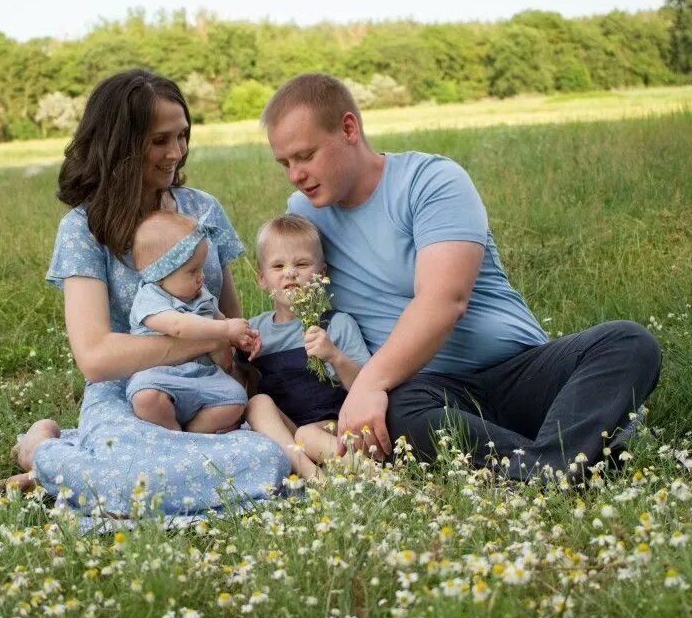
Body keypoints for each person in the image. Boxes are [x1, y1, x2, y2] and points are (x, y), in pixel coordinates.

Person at [261, 73, 662, 479]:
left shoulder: (431, 181)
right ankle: (567, 461)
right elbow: (292, 297)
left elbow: (444, 299)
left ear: (349, 128)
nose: (295, 174)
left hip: (521, 371)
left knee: (628, 342)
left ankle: (543, 464)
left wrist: (369, 384)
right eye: (285, 163)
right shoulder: (304, 213)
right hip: (430, 393)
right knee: (397, 411)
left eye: (305, 156)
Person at [8, 69, 288, 512]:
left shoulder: (202, 210)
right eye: (160, 140)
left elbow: (228, 317)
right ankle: (41, 450)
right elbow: (97, 358)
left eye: (181, 136)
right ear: (119, 144)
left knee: (268, 459)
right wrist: (205, 337)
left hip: (210, 387)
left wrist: (236, 371)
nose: (175, 153)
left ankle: (71, 466)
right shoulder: (83, 228)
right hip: (128, 395)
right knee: (134, 481)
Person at [242, 214, 371, 479]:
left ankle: (372, 473)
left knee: (308, 435)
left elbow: (365, 388)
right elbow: (238, 385)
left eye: (301, 263)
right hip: (287, 433)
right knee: (257, 403)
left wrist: (334, 356)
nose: (290, 272)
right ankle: (315, 477)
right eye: (277, 266)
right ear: (262, 278)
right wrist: (240, 357)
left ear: (322, 274)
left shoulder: (336, 325)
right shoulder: (255, 332)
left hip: (333, 428)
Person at [125, 210, 256, 433]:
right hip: (160, 376)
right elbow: (178, 327)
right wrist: (225, 329)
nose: (201, 277)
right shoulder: (150, 297)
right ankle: (172, 432)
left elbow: (220, 320)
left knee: (235, 401)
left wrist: (239, 337)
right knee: (145, 398)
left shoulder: (202, 295)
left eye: (201, 268)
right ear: (161, 272)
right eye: (192, 271)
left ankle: (194, 435)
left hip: (204, 376)